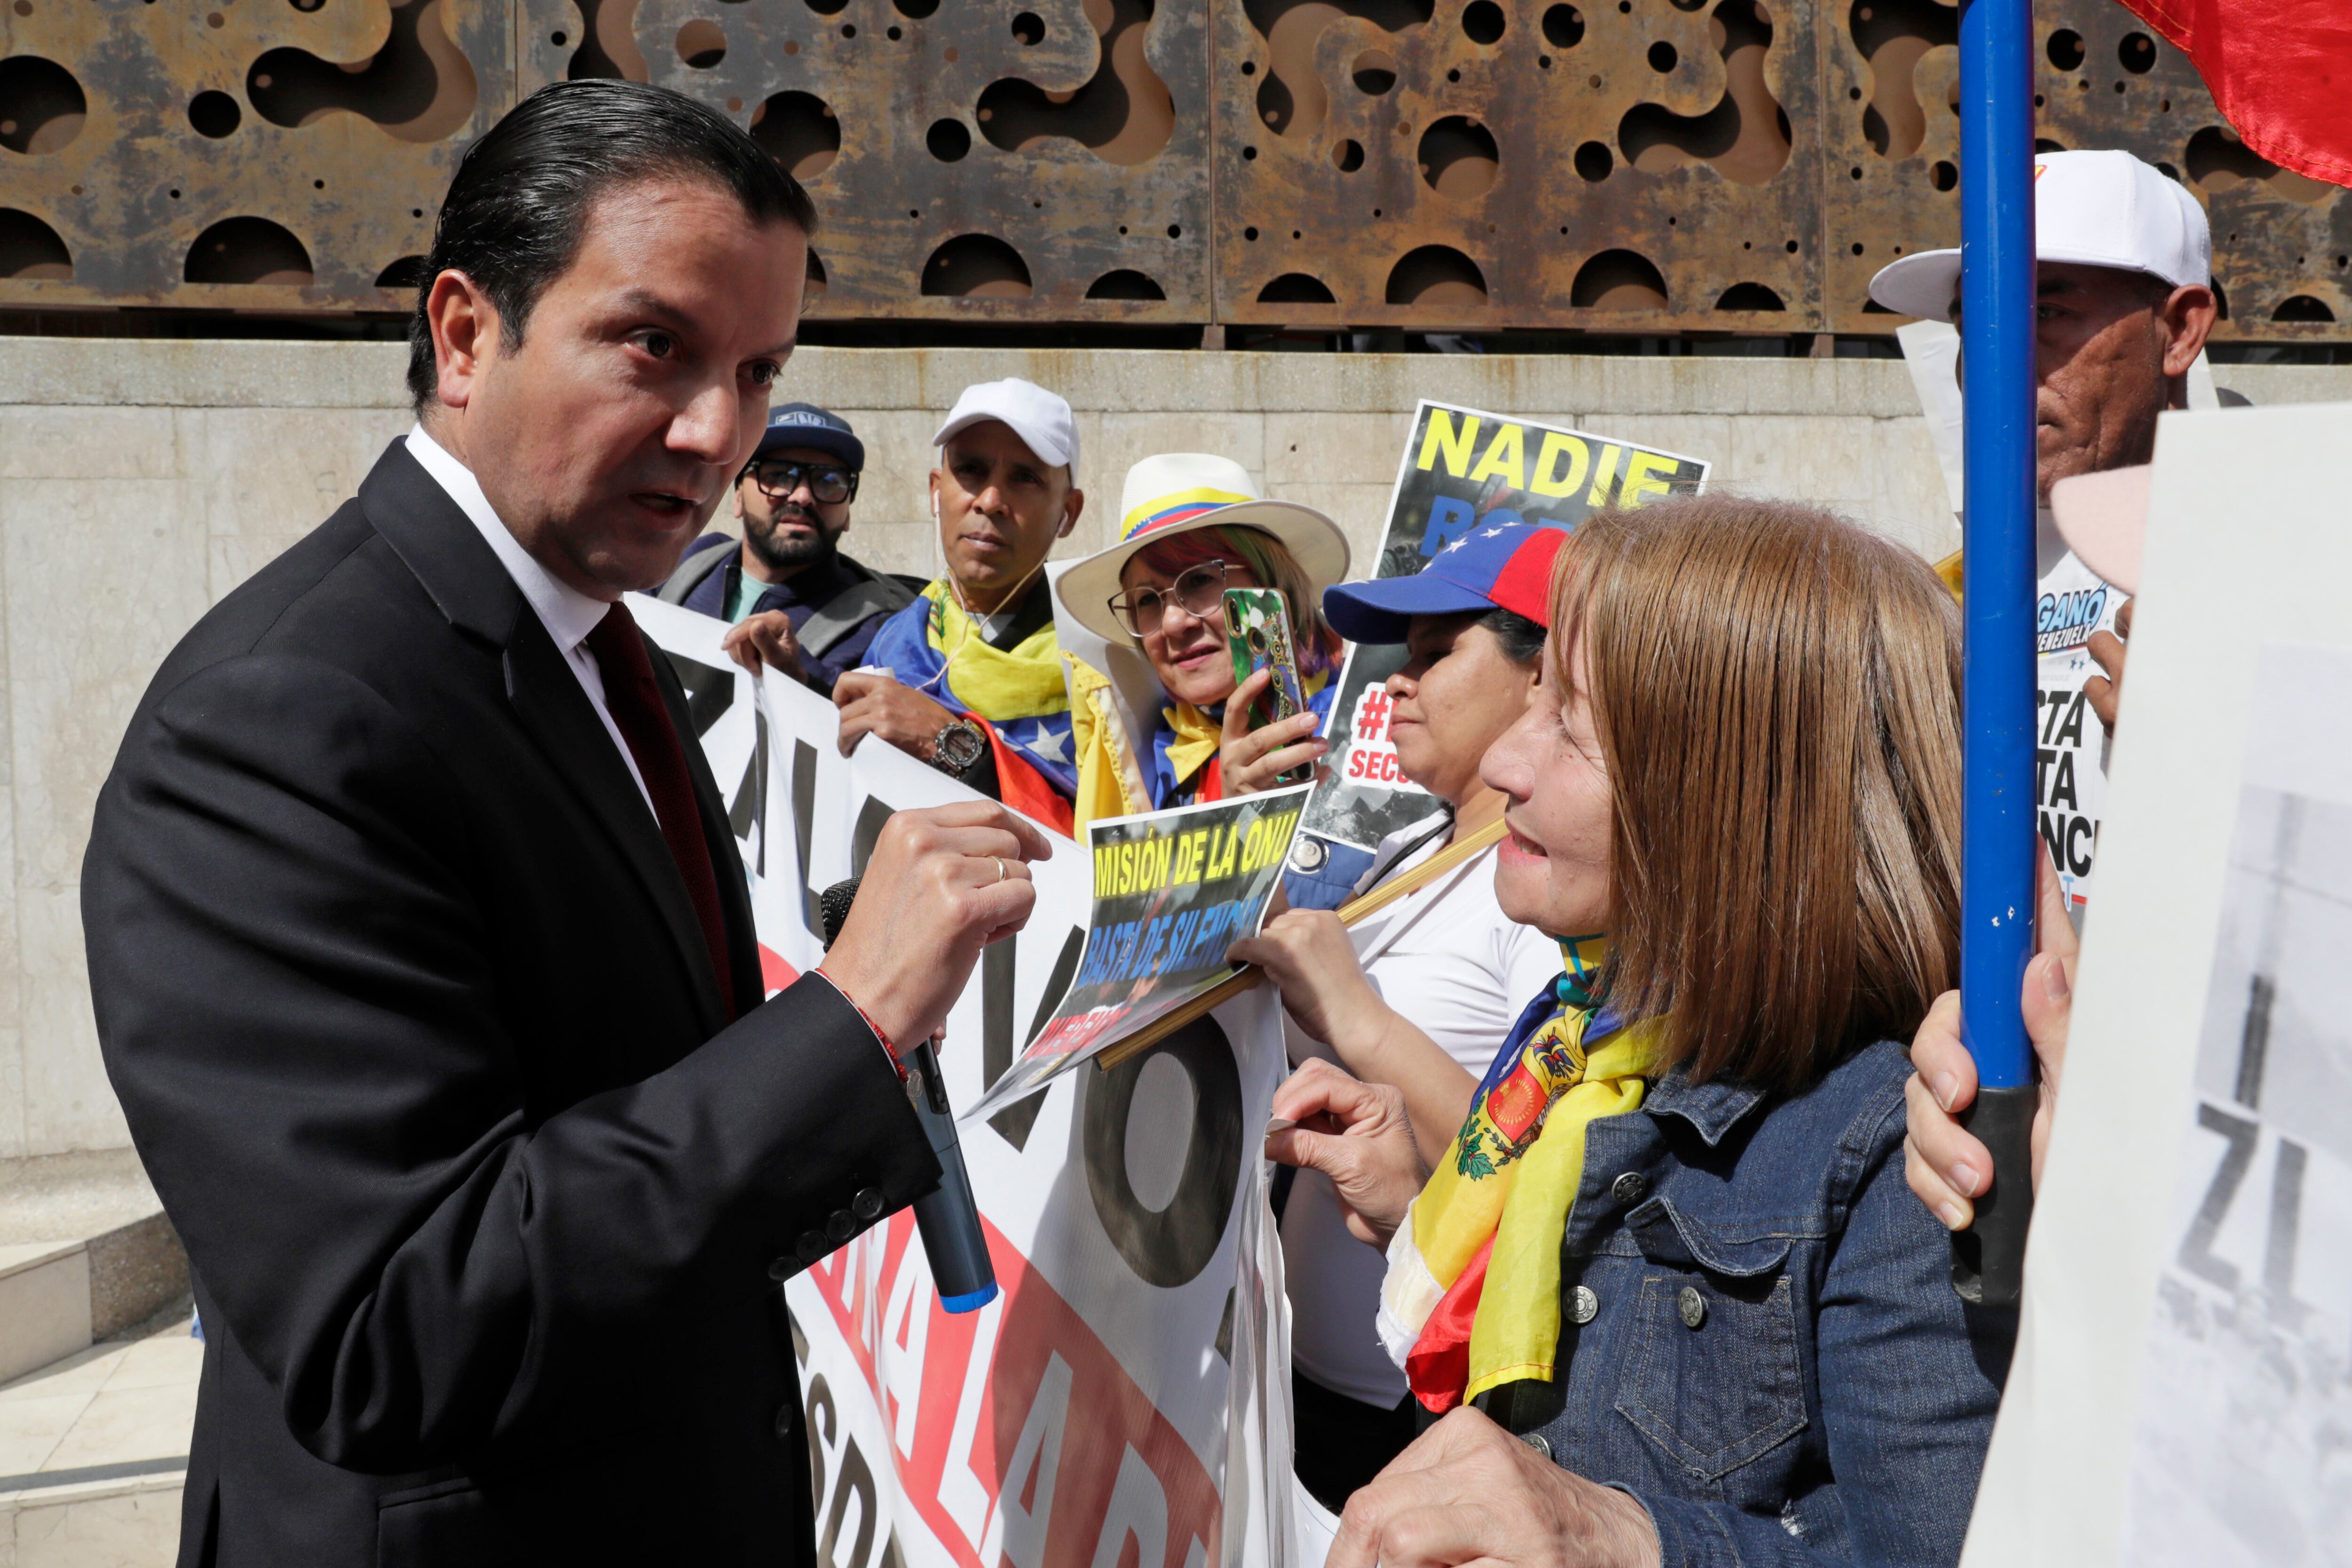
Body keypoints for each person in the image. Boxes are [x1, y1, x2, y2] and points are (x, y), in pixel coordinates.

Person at [79, 80, 1049, 1568]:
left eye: (757, 370)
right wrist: (849, 1020)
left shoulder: (602, 640)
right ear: (466, 334)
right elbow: (390, 1318)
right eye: (654, 346)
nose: (719, 431)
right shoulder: (277, 718)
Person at [1266, 496, 2011, 1567]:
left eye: (1569, 722)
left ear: (1737, 790)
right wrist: (1421, 1211)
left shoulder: (1904, 1147)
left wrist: (1635, 1542)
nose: (1509, 767)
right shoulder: (1584, 1045)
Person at [1224, 523, 1571, 1511]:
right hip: (1305, 1382)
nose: (1393, 685)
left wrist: (1357, 1013)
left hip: (1415, 1414)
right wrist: (1244, 843)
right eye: (1397, 660)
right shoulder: (1417, 843)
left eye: (1434, 654)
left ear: (1542, 675)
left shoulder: (1551, 885)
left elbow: (1542, 1158)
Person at [1870, 148, 2214, 920]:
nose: (1992, 361)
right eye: (1973, 322)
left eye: (2044, 312)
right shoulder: (1942, 597)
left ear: (2180, 330)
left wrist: (2219, 765)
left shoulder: (2279, 593)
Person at [1054, 453, 1348, 828]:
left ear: (1271, 583)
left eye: (1199, 580)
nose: (1174, 623)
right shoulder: (1140, 763)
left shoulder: (1362, 726)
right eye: (1146, 600)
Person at [849, 379, 1085, 830]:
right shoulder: (895, 645)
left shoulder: (1105, 660)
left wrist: (950, 743)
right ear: (937, 491)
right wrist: (788, 682)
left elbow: (1120, 852)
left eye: (1025, 478)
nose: (991, 501)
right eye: (971, 470)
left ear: (1067, 513)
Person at [658, 401, 915, 695]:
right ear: (738, 496)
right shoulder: (687, 562)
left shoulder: (889, 626)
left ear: (847, 514)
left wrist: (803, 676)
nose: (803, 496)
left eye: (828, 481)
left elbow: (887, 725)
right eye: (778, 475)